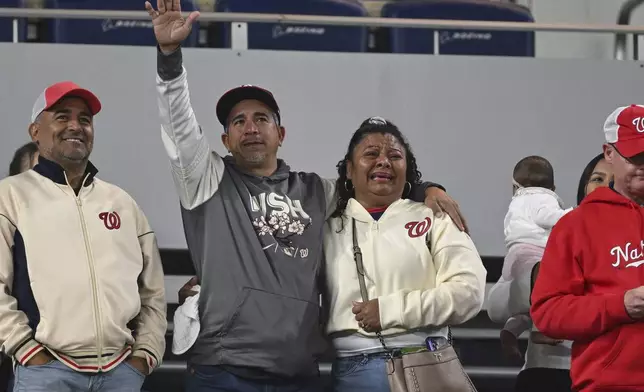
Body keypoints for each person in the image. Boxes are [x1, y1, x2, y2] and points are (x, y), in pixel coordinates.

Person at [145, 0, 468, 390]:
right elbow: (178, 125)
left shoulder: (318, 191)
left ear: (280, 135)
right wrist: (169, 58)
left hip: (297, 372)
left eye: (262, 119)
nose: (251, 128)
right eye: (239, 122)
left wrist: (424, 187)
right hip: (222, 369)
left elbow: (372, 178)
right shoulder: (206, 180)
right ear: (225, 139)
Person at [0, 81, 167, 391]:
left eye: (85, 119)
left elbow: (152, 291)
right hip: (46, 373)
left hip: (121, 373)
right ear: (35, 131)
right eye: (62, 116)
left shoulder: (122, 203)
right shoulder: (10, 196)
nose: (75, 126)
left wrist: (144, 355)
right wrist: (25, 350)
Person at [323, 117, 487, 391]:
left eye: (395, 156)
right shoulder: (327, 228)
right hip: (353, 371)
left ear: (407, 169)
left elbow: (469, 293)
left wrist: (389, 310)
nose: (384, 161)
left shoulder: (436, 216)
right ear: (349, 170)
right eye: (371, 154)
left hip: (426, 362)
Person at [531, 104, 644, 391]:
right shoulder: (576, 225)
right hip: (611, 385)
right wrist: (622, 305)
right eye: (636, 156)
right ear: (609, 154)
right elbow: (548, 314)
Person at [499, 156, 572, 361]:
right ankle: (543, 329)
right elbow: (548, 217)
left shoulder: (517, 201)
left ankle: (510, 331)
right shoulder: (544, 198)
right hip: (534, 255)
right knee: (543, 297)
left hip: (514, 254)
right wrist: (573, 215)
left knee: (525, 308)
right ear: (553, 186)